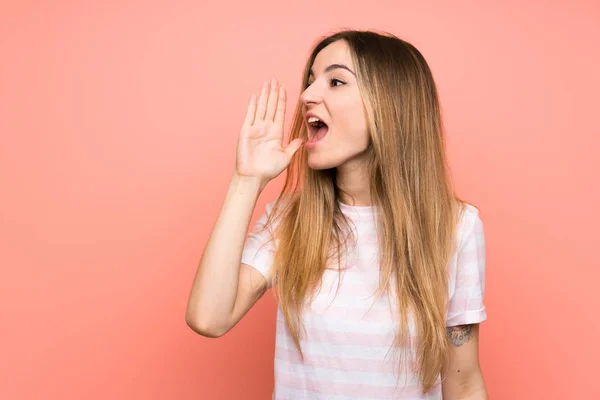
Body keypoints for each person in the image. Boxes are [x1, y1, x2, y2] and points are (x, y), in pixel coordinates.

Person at [186, 29, 488, 399]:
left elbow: (464, 381)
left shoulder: (457, 228)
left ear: (390, 104)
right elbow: (209, 318)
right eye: (311, 82)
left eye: (336, 81)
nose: (307, 96)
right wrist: (245, 180)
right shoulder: (290, 221)